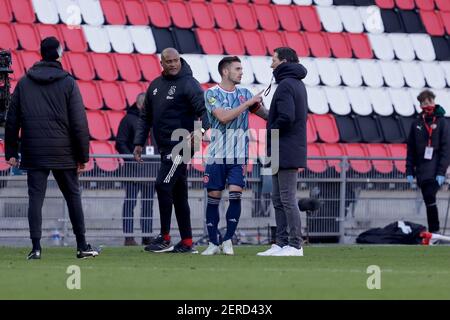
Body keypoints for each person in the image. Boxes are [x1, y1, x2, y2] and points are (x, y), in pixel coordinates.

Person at [4, 37, 98, 259]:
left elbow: (12, 119)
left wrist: (10, 152)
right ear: (58, 53)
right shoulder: (68, 82)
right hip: (63, 151)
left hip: (34, 151)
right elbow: (79, 123)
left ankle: (36, 248)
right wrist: (82, 156)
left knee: (35, 198)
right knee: (73, 196)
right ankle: (82, 245)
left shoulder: (25, 82)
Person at [134, 48, 209, 253]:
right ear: (162, 63)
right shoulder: (155, 86)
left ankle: (165, 238)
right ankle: (186, 242)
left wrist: (200, 131)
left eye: (176, 60)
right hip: (164, 146)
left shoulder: (189, 83)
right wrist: (139, 142)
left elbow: (205, 111)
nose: (174, 64)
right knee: (178, 194)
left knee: (162, 184)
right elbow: (145, 116)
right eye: (169, 61)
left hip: (182, 145)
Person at [201, 56, 268, 256]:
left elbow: (264, 114)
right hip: (216, 155)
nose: (241, 72)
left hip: (239, 156)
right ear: (225, 71)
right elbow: (223, 117)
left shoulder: (245, 93)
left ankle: (228, 240)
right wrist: (248, 103)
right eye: (237, 68)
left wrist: (276, 113)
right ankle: (213, 242)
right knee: (213, 197)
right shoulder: (212, 94)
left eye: (241, 68)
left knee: (235, 195)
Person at [257, 47, 308, 257]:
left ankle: (295, 245)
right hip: (284, 148)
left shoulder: (286, 85)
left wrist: (270, 130)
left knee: (286, 199)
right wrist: (262, 113)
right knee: (279, 199)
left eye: (274, 60)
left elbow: (286, 117)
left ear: (284, 61)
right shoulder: (295, 83)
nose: (271, 64)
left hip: (285, 148)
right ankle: (282, 243)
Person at [406, 89, 450, 234]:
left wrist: (441, 171)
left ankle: (435, 231)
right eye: (424, 102)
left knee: (430, 196)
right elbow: (411, 149)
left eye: (429, 101)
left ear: (434, 101)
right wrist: (409, 170)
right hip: (422, 169)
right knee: (428, 199)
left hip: (436, 166)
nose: (427, 104)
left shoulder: (443, 122)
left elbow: (446, 149)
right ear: (420, 105)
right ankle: (434, 232)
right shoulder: (416, 124)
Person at [116, 93, 157, 246]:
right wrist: (131, 158)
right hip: (133, 171)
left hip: (151, 170)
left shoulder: (154, 121)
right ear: (140, 105)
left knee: (148, 204)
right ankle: (129, 237)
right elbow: (120, 143)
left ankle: (147, 235)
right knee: (130, 203)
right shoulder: (128, 120)